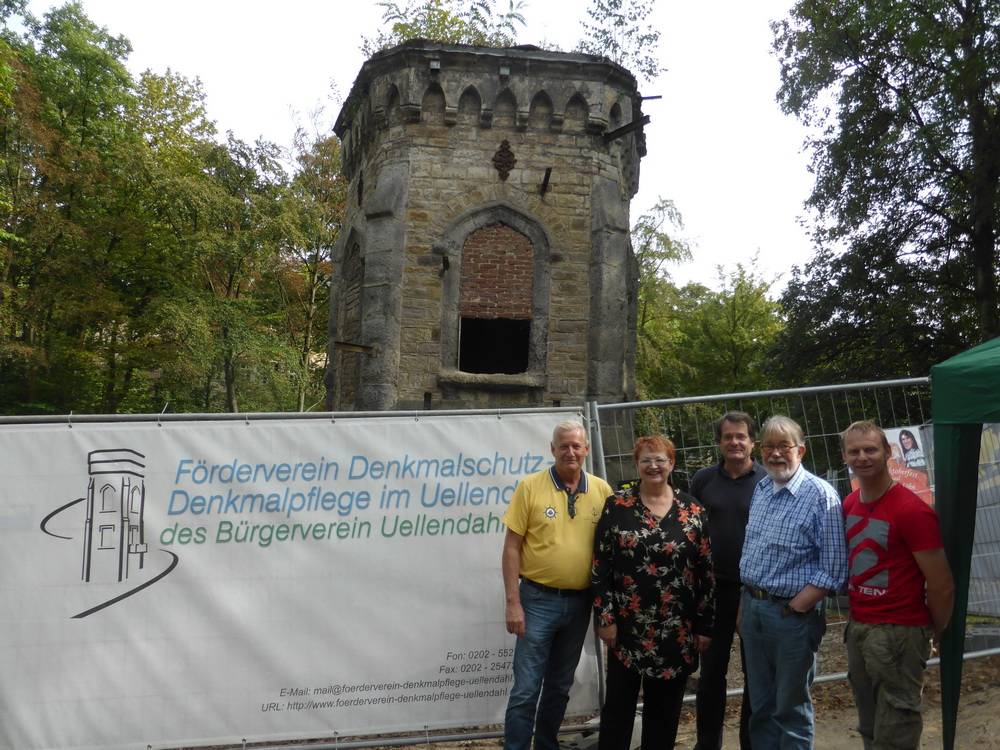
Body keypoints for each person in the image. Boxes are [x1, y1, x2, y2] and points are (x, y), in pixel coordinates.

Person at [591, 435, 715, 750]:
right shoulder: (618, 505)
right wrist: (605, 618)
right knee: (618, 709)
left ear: (671, 463)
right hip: (628, 628)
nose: (653, 466)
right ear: (637, 464)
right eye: (646, 460)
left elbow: (705, 572)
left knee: (665, 712)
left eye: (660, 459)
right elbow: (600, 566)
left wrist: (704, 625)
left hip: (677, 629)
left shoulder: (692, 509)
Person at [841, 420, 955, 750]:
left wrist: (934, 629)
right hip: (859, 627)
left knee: (897, 730)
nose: (862, 457)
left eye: (870, 449)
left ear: (888, 452)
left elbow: (942, 584)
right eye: (854, 451)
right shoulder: (849, 504)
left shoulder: (912, 511)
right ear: (845, 456)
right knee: (869, 726)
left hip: (899, 630)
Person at [501, 420, 614, 750]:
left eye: (576, 446)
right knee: (526, 689)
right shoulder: (530, 487)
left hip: (580, 604)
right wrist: (512, 602)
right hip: (536, 600)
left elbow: (611, 548)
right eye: (563, 446)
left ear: (586, 449)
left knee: (559, 687)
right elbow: (511, 547)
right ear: (552, 450)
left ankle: (546, 745)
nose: (570, 451)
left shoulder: (601, 491)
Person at [739, 415, 848, 749]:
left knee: (791, 709)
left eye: (784, 446)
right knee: (760, 706)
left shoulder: (821, 496)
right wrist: (747, 605)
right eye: (769, 446)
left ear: (800, 450)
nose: (775, 454)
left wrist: (796, 606)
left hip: (791, 617)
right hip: (753, 608)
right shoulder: (762, 488)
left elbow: (834, 567)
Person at [690, 411, 766, 750]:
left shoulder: (768, 480)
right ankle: (708, 744)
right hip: (712, 591)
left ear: (753, 442)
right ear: (719, 442)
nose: (735, 442)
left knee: (756, 676)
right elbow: (688, 530)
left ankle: (751, 742)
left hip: (755, 591)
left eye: (741, 436)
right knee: (711, 676)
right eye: (728, 437)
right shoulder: (703, 481)